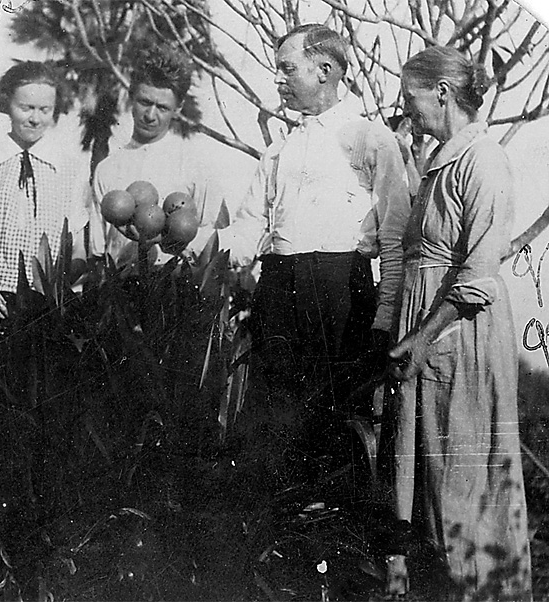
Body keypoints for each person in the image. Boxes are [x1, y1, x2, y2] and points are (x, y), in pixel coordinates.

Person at [385, 46, 532, 600]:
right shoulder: (437, 160)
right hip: (428, 336)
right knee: (429, 482)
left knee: (464, 486)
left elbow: (478, 274)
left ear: (442, 93)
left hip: (460, 338)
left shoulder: (483, 160)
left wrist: (424, 336)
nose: (407, 110)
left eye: (411, 98)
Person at [220, 24, 411, 437]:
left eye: (287, 68)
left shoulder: (371, 139)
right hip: (277, 291)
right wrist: (199, 242)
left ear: (324, 70)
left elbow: (395, 239)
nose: (277, 79)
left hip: (340, 295)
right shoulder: (278, 151)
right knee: (276, 422)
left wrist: (385, 316)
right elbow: (248, 230)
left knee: (334, 423)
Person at [0, 60, 92, 322]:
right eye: (26, 108)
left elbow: (78, 242)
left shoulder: (69, 170)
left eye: (44, 110)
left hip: (46, 301)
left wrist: (65, 286)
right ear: (7, 104)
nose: (35, 119)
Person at [91, 46, 226, 261]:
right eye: (144, 102)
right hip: (117, 287)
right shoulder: (107, 168)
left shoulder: (194, 166)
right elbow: (97, 248)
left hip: (175, 286)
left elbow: (212, 241)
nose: (150, 115)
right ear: (131, 97)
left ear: (178, 107)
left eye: (162, 107)